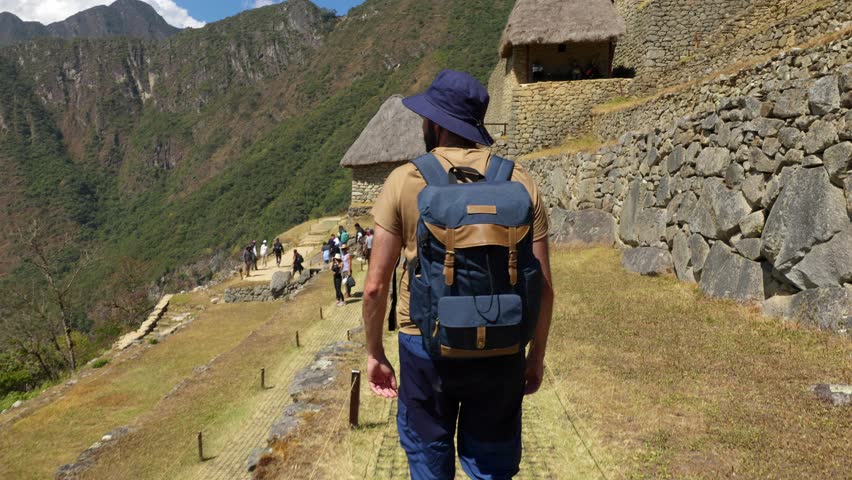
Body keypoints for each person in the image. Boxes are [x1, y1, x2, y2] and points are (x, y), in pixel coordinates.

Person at [362, 70, 554, 479]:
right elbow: (543, 286)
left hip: (424, 347)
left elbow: (375, 287)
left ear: (435, 124)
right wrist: (535, 356)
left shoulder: (404, 181)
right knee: (492, 467)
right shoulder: (519, 181)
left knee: (429, 460)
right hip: (502, 345)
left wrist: (375, 353)